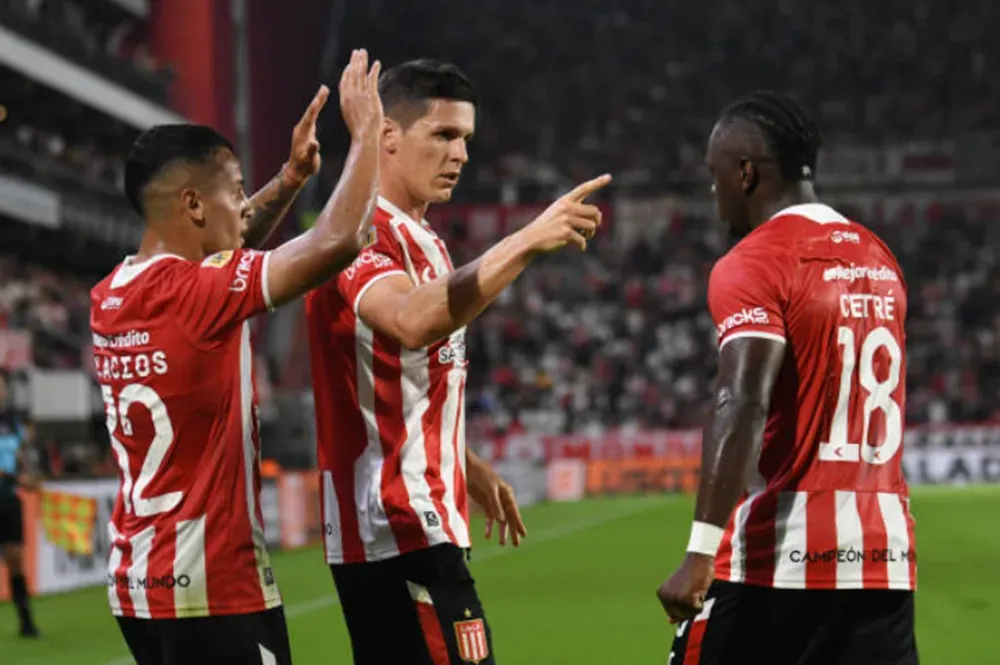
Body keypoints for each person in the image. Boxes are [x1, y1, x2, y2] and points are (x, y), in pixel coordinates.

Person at [305, 58, 611, 665]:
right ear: (388, 135)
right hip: (396, 525)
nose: (461, 154)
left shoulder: (426, 240)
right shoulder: (361, 231)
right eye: (443, 135)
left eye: (466, 138)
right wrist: (525, 239)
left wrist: (466, 466)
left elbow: (405, 382)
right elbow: (412, 320)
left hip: (419, 515)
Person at [90, 49, 383, 665]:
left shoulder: (112, 296)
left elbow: (229, 241)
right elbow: (339, 241)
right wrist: (366, 138)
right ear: (194, 205)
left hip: (140, 585)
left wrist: (292, 177)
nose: (244, 204)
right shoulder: (196, 293)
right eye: (237, 191)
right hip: (216, 586)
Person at [656, 90, 917, 665]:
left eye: (715, 173)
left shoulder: (759, 259)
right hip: (882, 558)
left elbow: (740, 399)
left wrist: (700, 552)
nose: (713, 189)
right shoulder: (879, 257)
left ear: (745, 173)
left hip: (777, 563)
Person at [0, 370, 39, 638]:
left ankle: (26, 621)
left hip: (9, 498)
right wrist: (19, 477)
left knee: (15, 559)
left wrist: (28, 471)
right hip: (9, 487)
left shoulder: (11, 420)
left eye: (2, 386)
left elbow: (20, 452)